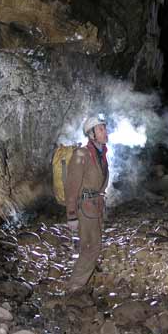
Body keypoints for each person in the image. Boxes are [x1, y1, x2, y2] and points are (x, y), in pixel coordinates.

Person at [64, 113, 109, 294]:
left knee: (91, 245)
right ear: (91, 134)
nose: (105, 132)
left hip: (95, 207)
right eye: (100, 129)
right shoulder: (81, 154)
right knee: (91, 247)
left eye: (104, 128)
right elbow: (71, 187)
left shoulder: (100, 154)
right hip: (85, 208)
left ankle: (83, 279)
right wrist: (71, 215)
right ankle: (75, 286)